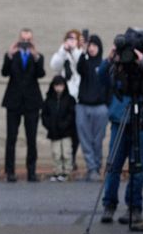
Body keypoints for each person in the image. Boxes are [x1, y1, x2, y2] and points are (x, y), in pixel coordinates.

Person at [99, 46, 143, 226]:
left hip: (141, 122)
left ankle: (134, 208)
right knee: (113, 166)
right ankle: (109, 205)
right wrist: (110, 58)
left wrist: (141, 61)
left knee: (138, 168)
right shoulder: (116, 67)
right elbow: (101, 77)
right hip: (119, 120)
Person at [0, 28, 45, 182]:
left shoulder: (37, 57)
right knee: (11, 138)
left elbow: (41, 74)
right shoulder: (13, 56)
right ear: (18, 40)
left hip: (32, 102)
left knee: (31, 138)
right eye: (23, 40)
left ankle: (31, 171)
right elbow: (4, 72)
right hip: (13, 101)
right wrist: (9, 55)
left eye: (28, 40)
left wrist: (36, 56)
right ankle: (10, 171)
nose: (25, 43)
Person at [75, 34, 110, 181]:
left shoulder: (104, 64)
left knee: (97, 139)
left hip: (100, 107)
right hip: (83, 106)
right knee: (85, 140)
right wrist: (82, 51)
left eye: (94, 45)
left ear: (99, 47)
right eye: (90, 45)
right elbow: (79, 67)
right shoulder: (85, 63)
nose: (92, 48)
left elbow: (109, 86)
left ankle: (97, 166)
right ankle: (91, 168)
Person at [49, 29, 82, 170]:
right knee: (65, 129)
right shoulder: (62, 53)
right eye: (69, 39)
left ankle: (72, 157)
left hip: (78, 96)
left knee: (76, 131)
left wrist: (74, 50)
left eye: (74, 39)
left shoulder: (80, 53)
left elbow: (80, 66)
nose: (71, 41)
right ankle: (63, 160)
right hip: (65, 96)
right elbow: (54, 65)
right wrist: (64, 50)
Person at [41, 75, 76, 181]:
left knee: (66, 153)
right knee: (56, 153)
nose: (58, 88)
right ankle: (57, 172)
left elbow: (72, 115)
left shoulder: (70, 99)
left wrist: (65, 124)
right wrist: (49, 125)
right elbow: (44, 115)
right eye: (56, 85)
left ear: (64, 86)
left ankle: (67, 172)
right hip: (54, 132)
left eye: (61, 85)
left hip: (66, 132)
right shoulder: (48, 100)